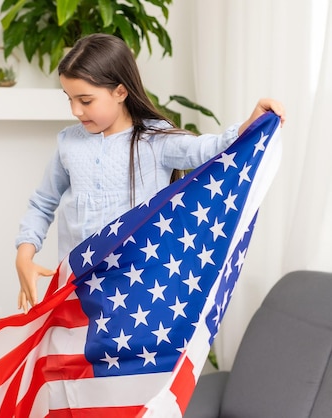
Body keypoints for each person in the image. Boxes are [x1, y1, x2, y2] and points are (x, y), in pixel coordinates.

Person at [14, 33, 286, 314]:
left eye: (85, 100)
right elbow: (42, 202)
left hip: (135, 292)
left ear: (120, 92)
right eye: (69, 98)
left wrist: (251, 124)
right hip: (76, 290)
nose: (75, 110)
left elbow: (211, 148)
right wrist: (25, 253)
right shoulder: (68, 143)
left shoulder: (156, 141)